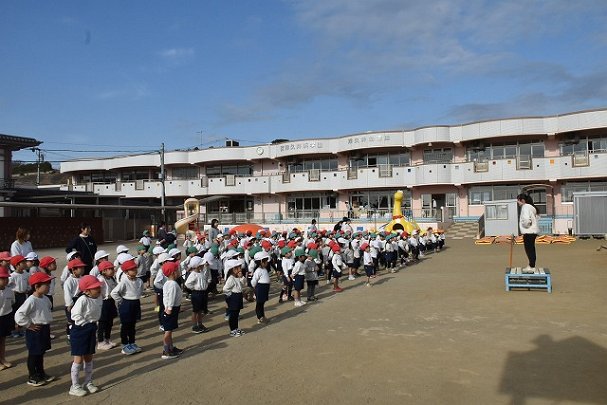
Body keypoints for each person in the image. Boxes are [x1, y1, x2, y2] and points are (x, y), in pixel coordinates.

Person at [14, 272, 54, 387]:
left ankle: (41, 373)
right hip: (35, 330)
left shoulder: (45, 298)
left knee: (41, 353)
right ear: (36, 286)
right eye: (46, 284)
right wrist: (28, 324)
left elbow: (48, 308)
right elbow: (19, 315)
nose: (49, 286)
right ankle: (32, 376)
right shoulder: (31, 300)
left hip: (44, 328)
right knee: (34, 354)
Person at [68, 275, 102, 396]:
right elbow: (74, 315)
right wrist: (85, 324)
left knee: (89, 357)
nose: (99, 289)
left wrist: (94, 324)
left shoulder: (99, 298)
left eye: (99, 287)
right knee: (78, 358)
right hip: (80, 330)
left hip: (91, 328)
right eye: (95, 288)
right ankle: (74, 386)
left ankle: (88, 382)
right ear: (87, 291)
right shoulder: (82, 299)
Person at [110, 259, 143, 355]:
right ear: (126, 272)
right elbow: (114, 293)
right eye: (131, 269)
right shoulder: (124, 281)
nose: (134, 270)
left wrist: (137, 297)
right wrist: (121, 301)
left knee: (133, 325)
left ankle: (132, 343)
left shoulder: (139, 280)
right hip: (126, 304)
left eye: (135, 268)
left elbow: (140, 291)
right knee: (125, 325)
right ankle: (124, 345)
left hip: (135, 303)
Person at [160, 261, 184, 359]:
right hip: (171, 309)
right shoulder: (173, 284)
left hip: (171, 308)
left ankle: (171, 347)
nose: (178, 272)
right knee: (168, 331)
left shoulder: (168, 283)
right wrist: (169, 309)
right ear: (173, 273)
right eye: (177, 270)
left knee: (170, 330)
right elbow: (171, 297)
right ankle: (166, 351)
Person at [184, 256, 211, 333]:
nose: (203, 265)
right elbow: (187, 284)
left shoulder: (201, 272)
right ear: (198, 266)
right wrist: (194, 288)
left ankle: (200, 324)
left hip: (203, 293)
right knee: (195, 311)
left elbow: (205, 276)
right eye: (202, 265)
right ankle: (194, 326)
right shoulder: (193, 274)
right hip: (197, 293)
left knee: (200, 310)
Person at [96, 261, 118, 350]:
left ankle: (107, 339)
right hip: (103, 302)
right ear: (104, 271)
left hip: (111, 301)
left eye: (113, 268)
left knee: (110, 322)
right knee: (102, 323)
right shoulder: (100, 279)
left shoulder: (111, 278)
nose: (113, 270)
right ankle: (100, 342)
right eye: (110, 269)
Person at [222, 259, 246, 337]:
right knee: (233, 315)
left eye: (239, 267)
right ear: (232, 269)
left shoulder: (237, 277)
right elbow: (225, 289)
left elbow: (243, 284)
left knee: (236, 314)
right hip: (234, 297)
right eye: (237, 268)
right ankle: (233, 330)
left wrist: (241, 277)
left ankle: (236, 328)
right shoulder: (231, 278)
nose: (239, 269)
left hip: (238, 296)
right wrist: (230, 295)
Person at [517, 193, 539, 273]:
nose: (518, 203)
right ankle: (531, 265)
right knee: (531, 249)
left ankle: (531, 267)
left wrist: (525, 226)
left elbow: (526, 219)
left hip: (528, 231)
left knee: (529, 250)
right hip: (533, 231)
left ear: (522, 200)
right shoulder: (532, 207)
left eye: (518, 201)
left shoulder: (525, 207)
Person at [0, 266, 15, 370]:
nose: (5, 280)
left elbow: (12, 302)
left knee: (3, 339)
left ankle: (2, 358)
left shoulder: (10, 291)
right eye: (2, 278)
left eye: (6, 278)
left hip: (6, 317)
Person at [251, 251, 271, 323]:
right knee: (259, 303)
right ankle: (260, 317)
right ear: (261, 262)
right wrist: (254, 288)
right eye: (265, 261)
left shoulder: (264, 269)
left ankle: (262, 316)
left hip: (265, 288)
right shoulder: (258, 270)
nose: (267, 262)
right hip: (260, 288)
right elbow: (254, 280)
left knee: (262, 303)